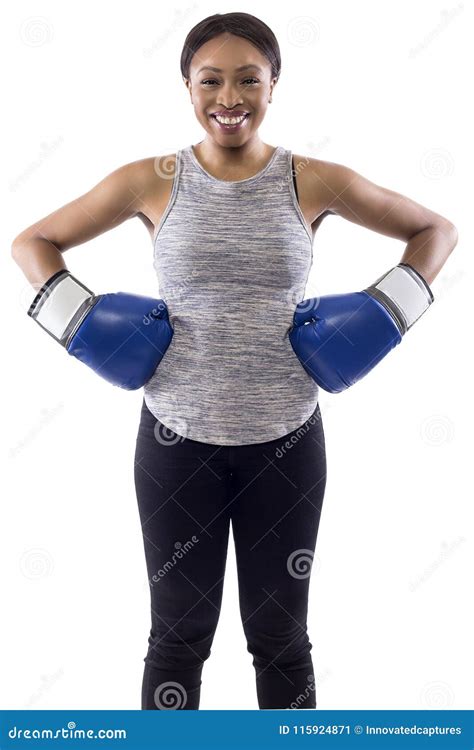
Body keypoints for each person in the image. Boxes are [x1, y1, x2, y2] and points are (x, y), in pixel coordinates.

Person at [11, 12, 458, 711]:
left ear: (274, 84)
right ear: (187, 86)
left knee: (281, 636)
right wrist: (88, 328)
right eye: (210, 80)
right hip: (173, 442)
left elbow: (435, 230)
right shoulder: (151, 179)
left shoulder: (310, 179)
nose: (230, 97)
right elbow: (34, 241)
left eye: (249, 79)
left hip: (287, 441)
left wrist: (382, 317)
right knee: (177, 635)